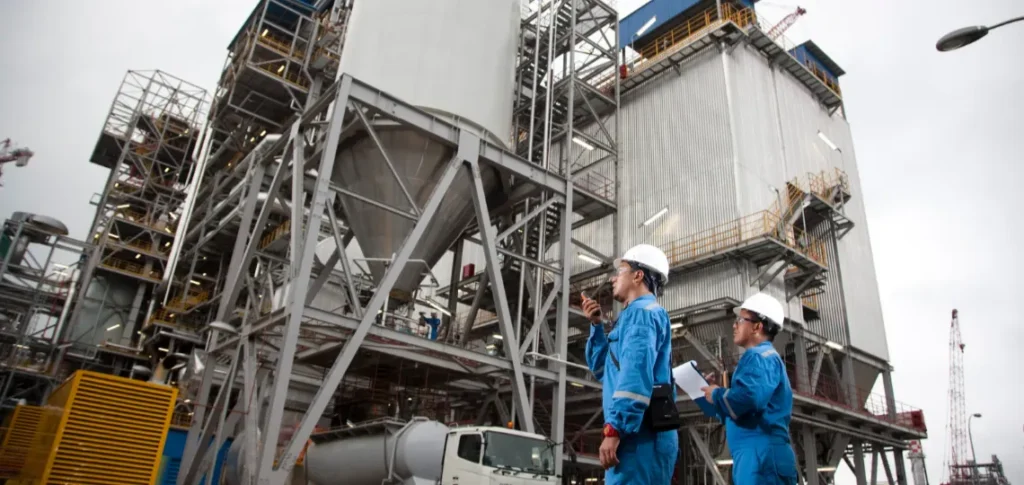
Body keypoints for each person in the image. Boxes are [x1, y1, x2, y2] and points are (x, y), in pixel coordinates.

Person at [582, 244, 678, 485]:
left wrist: (615, 429)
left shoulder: (641, 314)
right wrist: (596, 326)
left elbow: (635, 377)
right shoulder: (633, 316)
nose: (613, 278)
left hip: (638, 438)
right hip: (638, 436)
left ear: (638, 275)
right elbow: (603, 369)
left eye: (621, 270)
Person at [699, 293, 798, 485]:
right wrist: (714, 394)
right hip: (759, 455)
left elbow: (749, 399)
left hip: (760, 457)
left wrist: (717, 394)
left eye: (740, 320)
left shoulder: (758, 357)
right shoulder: (764, 357)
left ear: (757, 327)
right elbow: (743, 406)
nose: (734, 325)